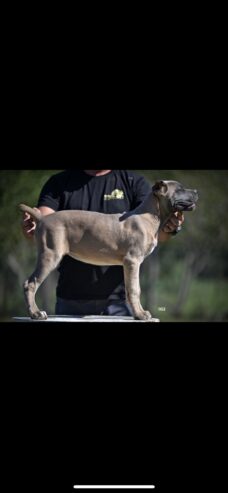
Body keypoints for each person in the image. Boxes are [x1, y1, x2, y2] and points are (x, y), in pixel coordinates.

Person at [22, 169, 184, 317]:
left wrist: (169, 226)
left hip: (118, 304)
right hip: (70, 300)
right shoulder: (60, 181)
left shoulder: (132, 181)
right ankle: (31, 299)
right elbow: (48, 220)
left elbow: (156, 230)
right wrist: (35, 225)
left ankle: (136, 305)